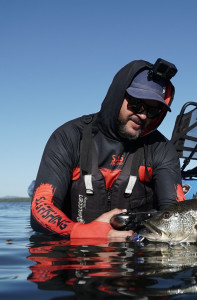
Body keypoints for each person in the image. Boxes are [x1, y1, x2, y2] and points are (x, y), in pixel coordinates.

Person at [30, 59, 185, 241]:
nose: (142, 115)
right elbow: (41, 208)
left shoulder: (161, 148)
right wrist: (83, 234)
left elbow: (176, 211)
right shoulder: (68, 137)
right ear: (117, 96)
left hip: (136, 260)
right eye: (136, 104)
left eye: (152, 111)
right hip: (74, 253)